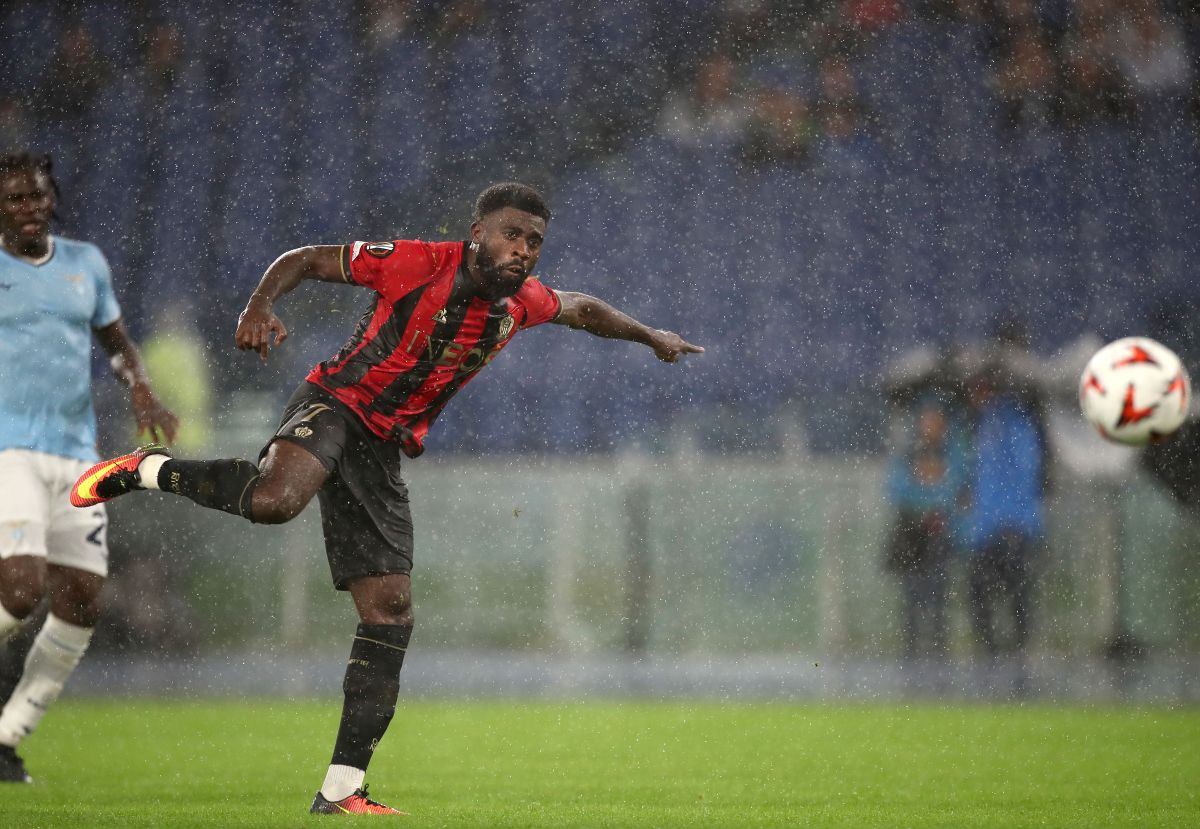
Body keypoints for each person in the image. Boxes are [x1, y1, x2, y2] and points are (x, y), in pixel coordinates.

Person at [72, 182, 703, 815]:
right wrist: (259, 304)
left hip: (381, 447)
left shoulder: (523, 302)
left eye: (534, 241)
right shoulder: (415, 261)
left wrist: (650, 335)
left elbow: (583, 308)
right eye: (511, 235)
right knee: (275, 501)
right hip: (336, 402)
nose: (523, 250)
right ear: (477, 233)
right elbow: (306, 259)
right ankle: (146, 469)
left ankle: (342, 789)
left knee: (391, 613)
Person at [0, 152, 178, 782]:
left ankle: (6, 738)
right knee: (21, 591)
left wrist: (141, 388)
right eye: (16, 198)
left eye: (38, 195)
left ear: (53, 199)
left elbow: (117, 343)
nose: (30, 207)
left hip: (76, 454)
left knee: (81, 601)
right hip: (9, 451)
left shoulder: (85, 263)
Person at [883, 400, 968, 665]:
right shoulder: (908, 452)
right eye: (928, 419)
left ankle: (938, 652)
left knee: (938, 595)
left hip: (940, 533)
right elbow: (896, 489)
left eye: (937, 420)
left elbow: (956, 488)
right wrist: (925, 493)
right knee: (911, 597)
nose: (932, 426)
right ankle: (911, 653)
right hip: (911, 534)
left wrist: (935, 499)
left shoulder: (953, 452)